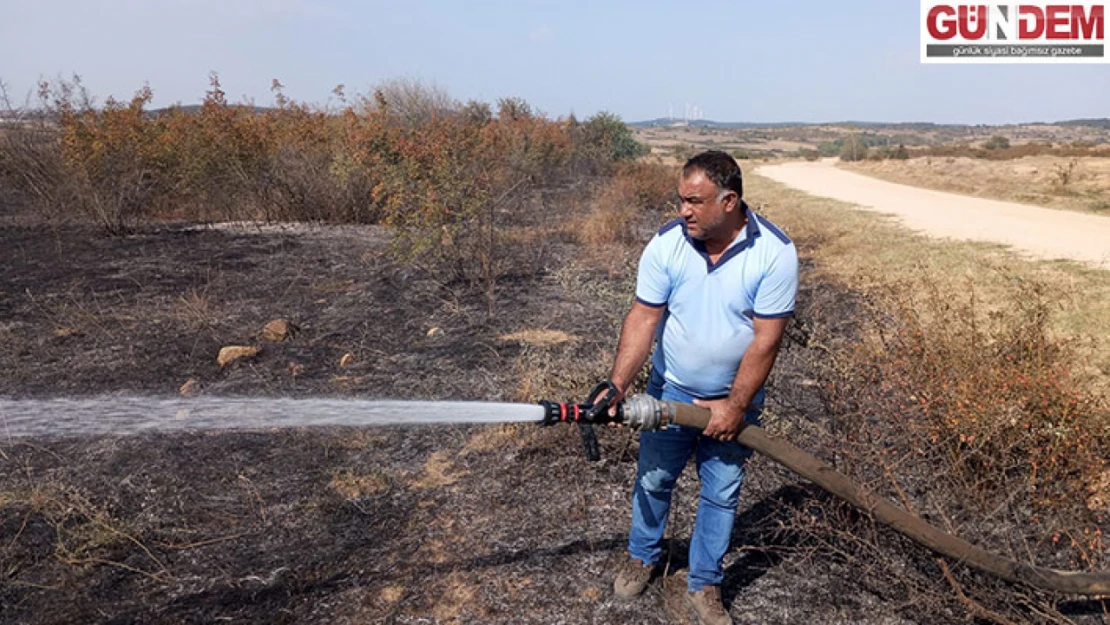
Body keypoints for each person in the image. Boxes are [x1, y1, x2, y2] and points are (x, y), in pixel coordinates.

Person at [607, 150, 798, 625]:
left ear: (729, 200)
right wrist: (616, 385)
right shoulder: (667, 243)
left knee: (721, 492)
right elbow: (645, 316)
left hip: (736, 399)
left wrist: (733, 407)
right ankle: (642, 555)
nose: (683, 211)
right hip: (670, 390)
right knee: (654, 478)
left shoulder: (774, 252)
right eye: (680, 199)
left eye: (695, 201)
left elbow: (766, 339)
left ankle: (705, 583)